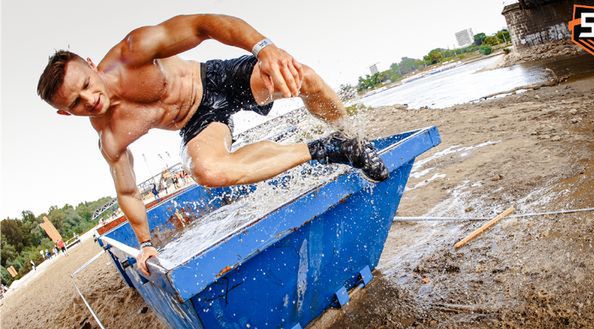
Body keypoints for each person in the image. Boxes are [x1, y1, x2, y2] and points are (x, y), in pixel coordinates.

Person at [37, 14, 388, 276]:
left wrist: (265, 49)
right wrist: (145, 245)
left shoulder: (133, 51)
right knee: (206, 170)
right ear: (67, 114)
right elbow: (128, 191)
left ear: (90, 63)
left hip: (215, 80)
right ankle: (333, 148)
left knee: (299, 75)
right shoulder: (110, 137)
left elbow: (204, 25)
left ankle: (352, 134)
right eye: (77, 103)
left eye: (85, 83)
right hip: (197, 124)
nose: (90, 99)